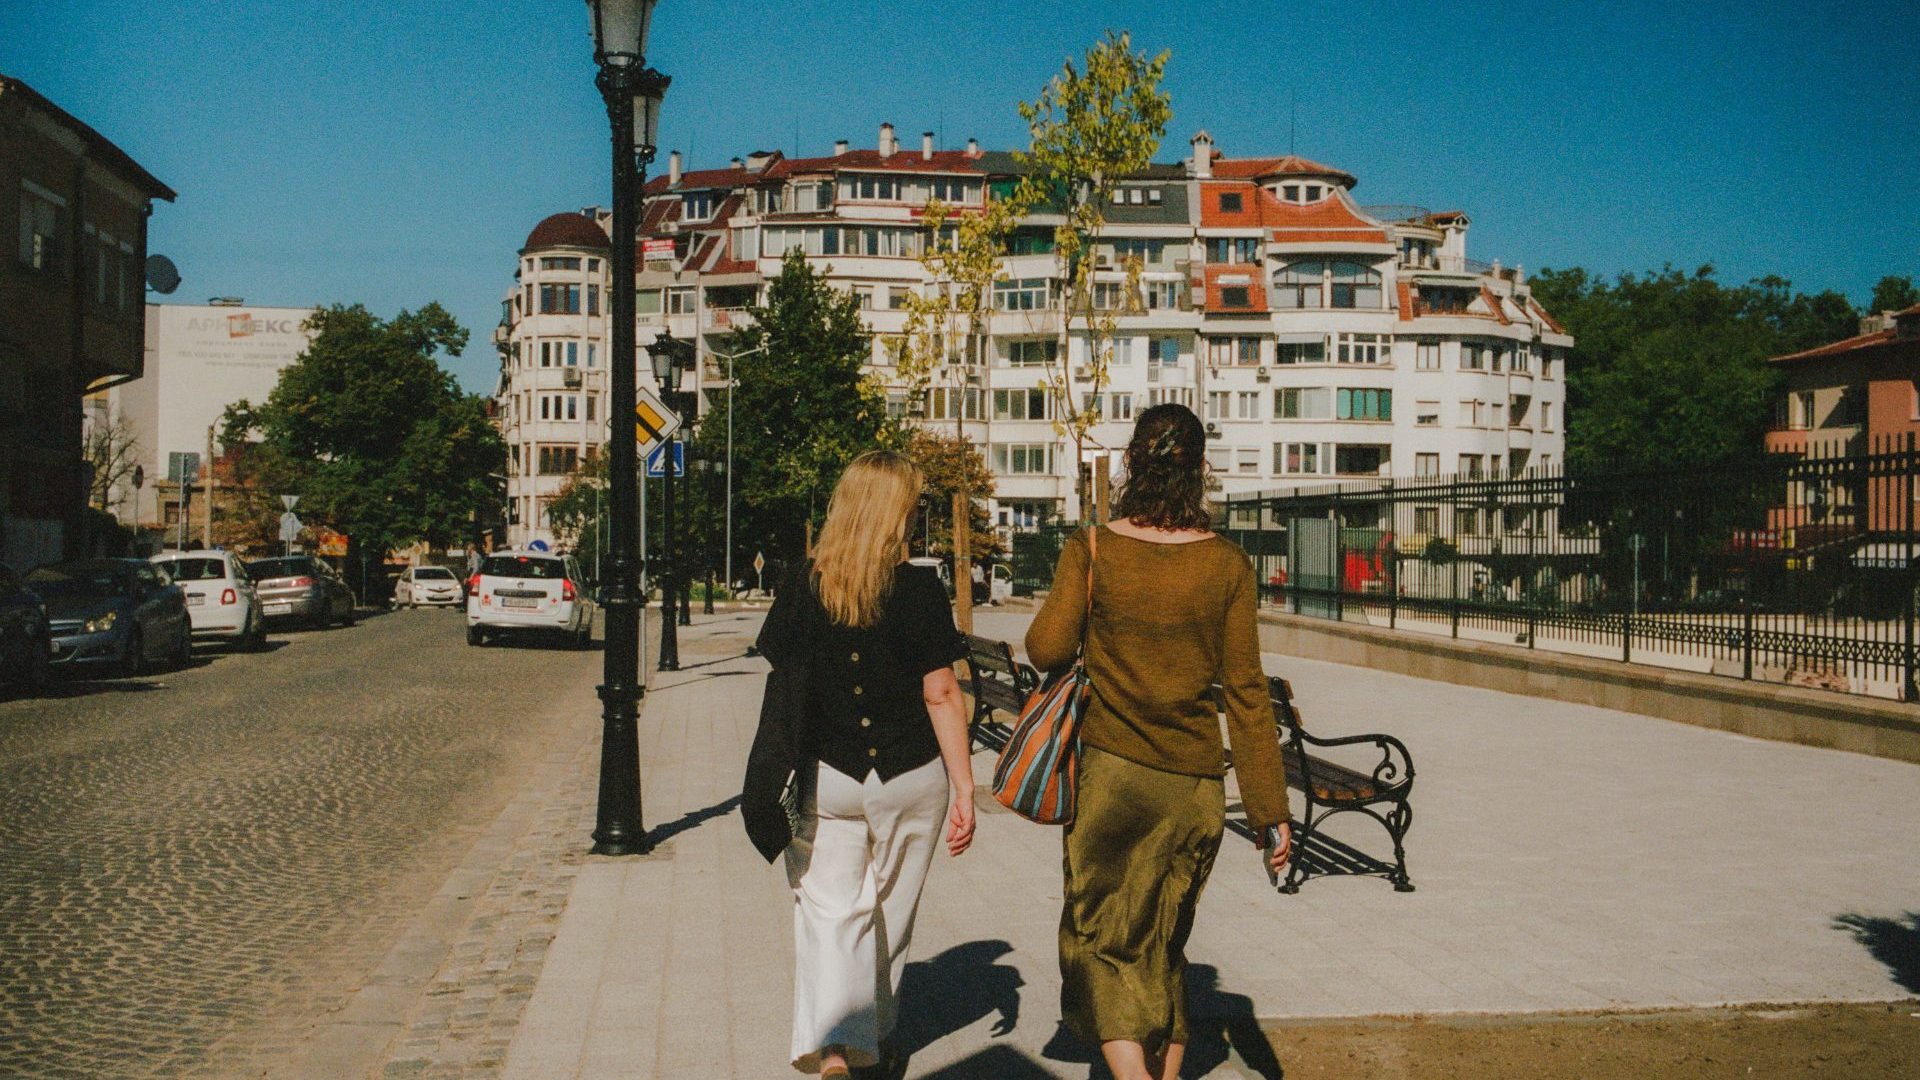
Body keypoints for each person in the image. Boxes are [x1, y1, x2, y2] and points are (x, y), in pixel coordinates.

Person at [1025, 403, 1292, 1080]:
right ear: (1198, 470)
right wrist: (1269, 811)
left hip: (1110, 779)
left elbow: (1045, 646)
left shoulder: (1092, 550)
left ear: (1131, 466)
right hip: (1194, 783)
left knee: (1099, 937)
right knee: (1165, 944)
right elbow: (1247, 692)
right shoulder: (1228, 564)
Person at [752, 450, 977, 1078]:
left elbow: (781, 675)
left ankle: (833, 1048)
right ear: (896, 513)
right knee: (891, 914)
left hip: (828, 774)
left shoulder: (802, 582)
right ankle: (873, 1038)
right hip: (912, 776)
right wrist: (965, 788)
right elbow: (941, 692)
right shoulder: (918, 588)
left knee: (829, 913)